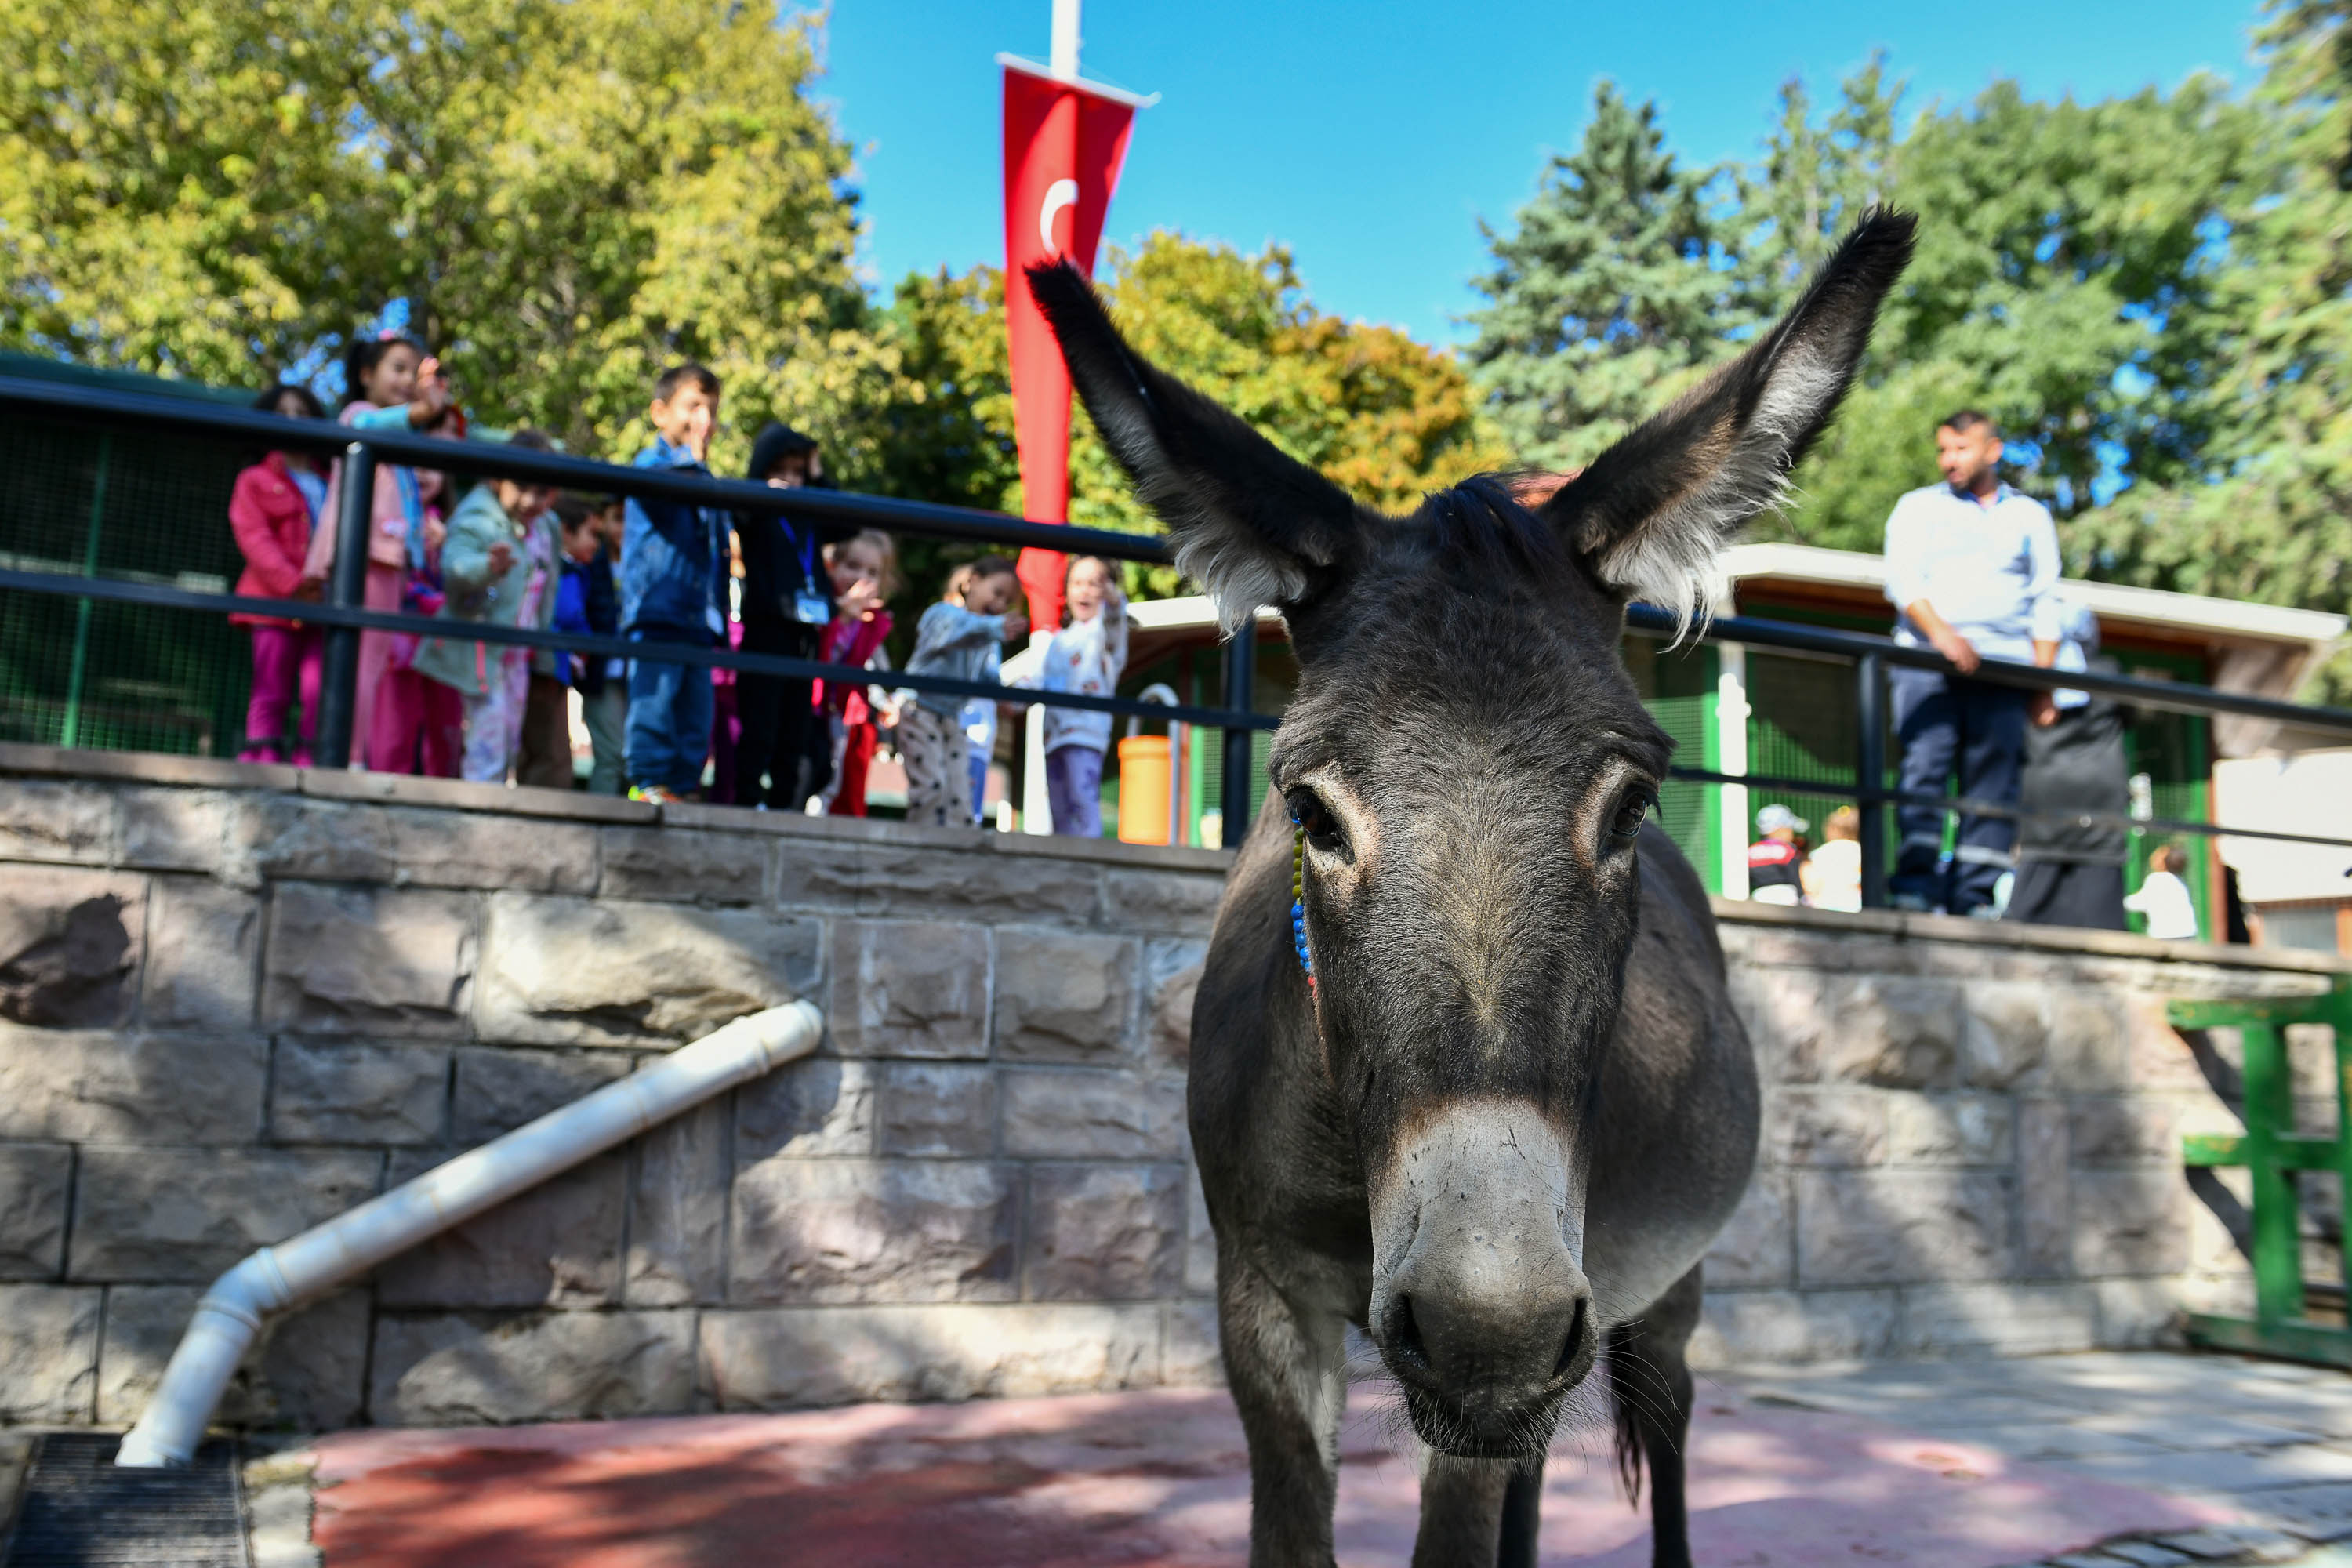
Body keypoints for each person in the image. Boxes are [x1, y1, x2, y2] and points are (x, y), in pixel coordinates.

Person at [1880, 409, 2062, 915]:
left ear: (1993, 451)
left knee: (1995, 783)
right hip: (1927, 662)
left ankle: (1976, 895)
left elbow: (2046, 598)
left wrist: (2043, 684)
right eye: (1943, 450)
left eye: (1960, 449)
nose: (1949, 460)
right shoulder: (1917, 508)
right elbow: (1903, 582)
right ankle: (1914, 889)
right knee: (1924, 769)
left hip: (2005, 669)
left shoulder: (2030, 516)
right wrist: (1945, 637)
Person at [308, 332, 454, 770]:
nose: (407, 379)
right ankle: (345, 758)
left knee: (369, 666)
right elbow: (366, 429)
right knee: (355, 665)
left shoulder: (402, 438)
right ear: (366, 374)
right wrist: (422, 411)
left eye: (415, 372)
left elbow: (405, 491)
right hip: (363, 556)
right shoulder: (360, 414)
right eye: (398, 368)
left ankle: (352, 757)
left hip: (390, 559)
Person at [410, 432, 561, 785]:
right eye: (521, 487)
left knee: (510, 735)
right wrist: (488, 567)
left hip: (517, 652)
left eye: (541, 492)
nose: (530, 500)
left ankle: (490, 800)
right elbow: (455, 567)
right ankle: (479, 813)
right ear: (497, 479)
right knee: (487, 736)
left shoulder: (546, 527)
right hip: (481, 649)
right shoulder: (478, 516)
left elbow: (547, 586)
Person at [619, 365, 726, 803]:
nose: (704, 419)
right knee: (653, 705)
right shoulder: (652, 464)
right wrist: (694, 463)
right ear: (660, 413)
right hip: (658, 611)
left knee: (695, 714)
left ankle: (684, 787)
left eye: (712, 410)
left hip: (698, 621)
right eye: (693, 406)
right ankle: (647, 784)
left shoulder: (708, 479)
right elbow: (664, 493)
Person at [2006, 600, 2131, 931]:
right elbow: (2129, 718)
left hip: (2044, 783)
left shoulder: (2031, 672)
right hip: (2100, 788)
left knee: (2033, 897)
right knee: (2099, 892)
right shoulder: (2109, 671)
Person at [731, 423, 835, 811]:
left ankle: (783, 808)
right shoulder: (757, 513)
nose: (791, 482)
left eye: (798, 473)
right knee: (759, 726)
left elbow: (847, 523)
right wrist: (763, 490)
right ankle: (746, 804)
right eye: (782, 472)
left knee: (796, 727)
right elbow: (738, 513)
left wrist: (818, 471)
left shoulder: (810, 515)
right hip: (765, 628)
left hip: (804, 634)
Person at [229, 384, 330, 764]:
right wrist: (294, 585)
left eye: (302, 413)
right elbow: (255, 539)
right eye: (283, 413)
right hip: (273, 603)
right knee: (270, 688)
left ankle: (310, 760)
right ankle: (262, 758)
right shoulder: (254, 480)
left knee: (318, 691)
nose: (294, 421)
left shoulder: (333, 481)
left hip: (323, 605)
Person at [901, 554, 1025, 828]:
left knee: (960, 791)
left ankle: (960, 847)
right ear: (973, 582)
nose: (1000, 605)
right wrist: (995, 627)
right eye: (997, 593)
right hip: (920, 710)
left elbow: (983, 677)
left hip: (952, 717)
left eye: (1007, 602)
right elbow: (955, 631)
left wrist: (1013, 694)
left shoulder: (985, 638)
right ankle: (920, 844)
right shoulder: (942, 614)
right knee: (931, 786)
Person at [1037, 555, 1129, 837]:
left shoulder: (1104, 633)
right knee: (1058, 805)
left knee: (1082, 797)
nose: (1085, 590)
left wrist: (1113, 600)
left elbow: (1115, 618)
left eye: (1094, 583)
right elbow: (1042, 681)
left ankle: (1089, 855)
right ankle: (1063, 861)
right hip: (1054, 736)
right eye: (1077, 583)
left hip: (1086, 734)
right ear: (1066, 591)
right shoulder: (1059, 641)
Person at [815, 530, 898, 816]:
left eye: (872, 572)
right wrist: (842, 615)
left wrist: (886, 700)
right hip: (813, 707)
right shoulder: (820, 606)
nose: (862, 578)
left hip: (847, 711)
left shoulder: (873, 621)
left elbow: (875, 665)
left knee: (842, 780)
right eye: (853, 566)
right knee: (817, 775)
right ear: (832, 566)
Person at [552, 495, 627, 795]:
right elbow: (571, 614)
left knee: (631, 759)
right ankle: (604, 823)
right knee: (611, 756)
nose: (624, 528)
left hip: (634, 671)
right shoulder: (585, 567)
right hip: (599, 672)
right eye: (618, 519)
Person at [2125, 844, 2202, 940]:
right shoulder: (2180, 881)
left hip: (2165, 935)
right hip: (2188, 933)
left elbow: (2138, 902)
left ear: (2162, 862)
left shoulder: (2156, 879)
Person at [1802, 805, 1864, 913]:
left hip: (1825, 906)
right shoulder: (1861, 851)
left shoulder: (1820, 853)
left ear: (1832, 829)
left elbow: (1811, 885)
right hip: (1855, 905)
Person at [1746, 803, 1809, 907]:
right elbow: (1795, 878)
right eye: (1789, 829)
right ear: (1779, 829)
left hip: (1759, 898)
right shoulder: (1787, 850)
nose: (1792, 833)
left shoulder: (1752, 851)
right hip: (1787, 899)